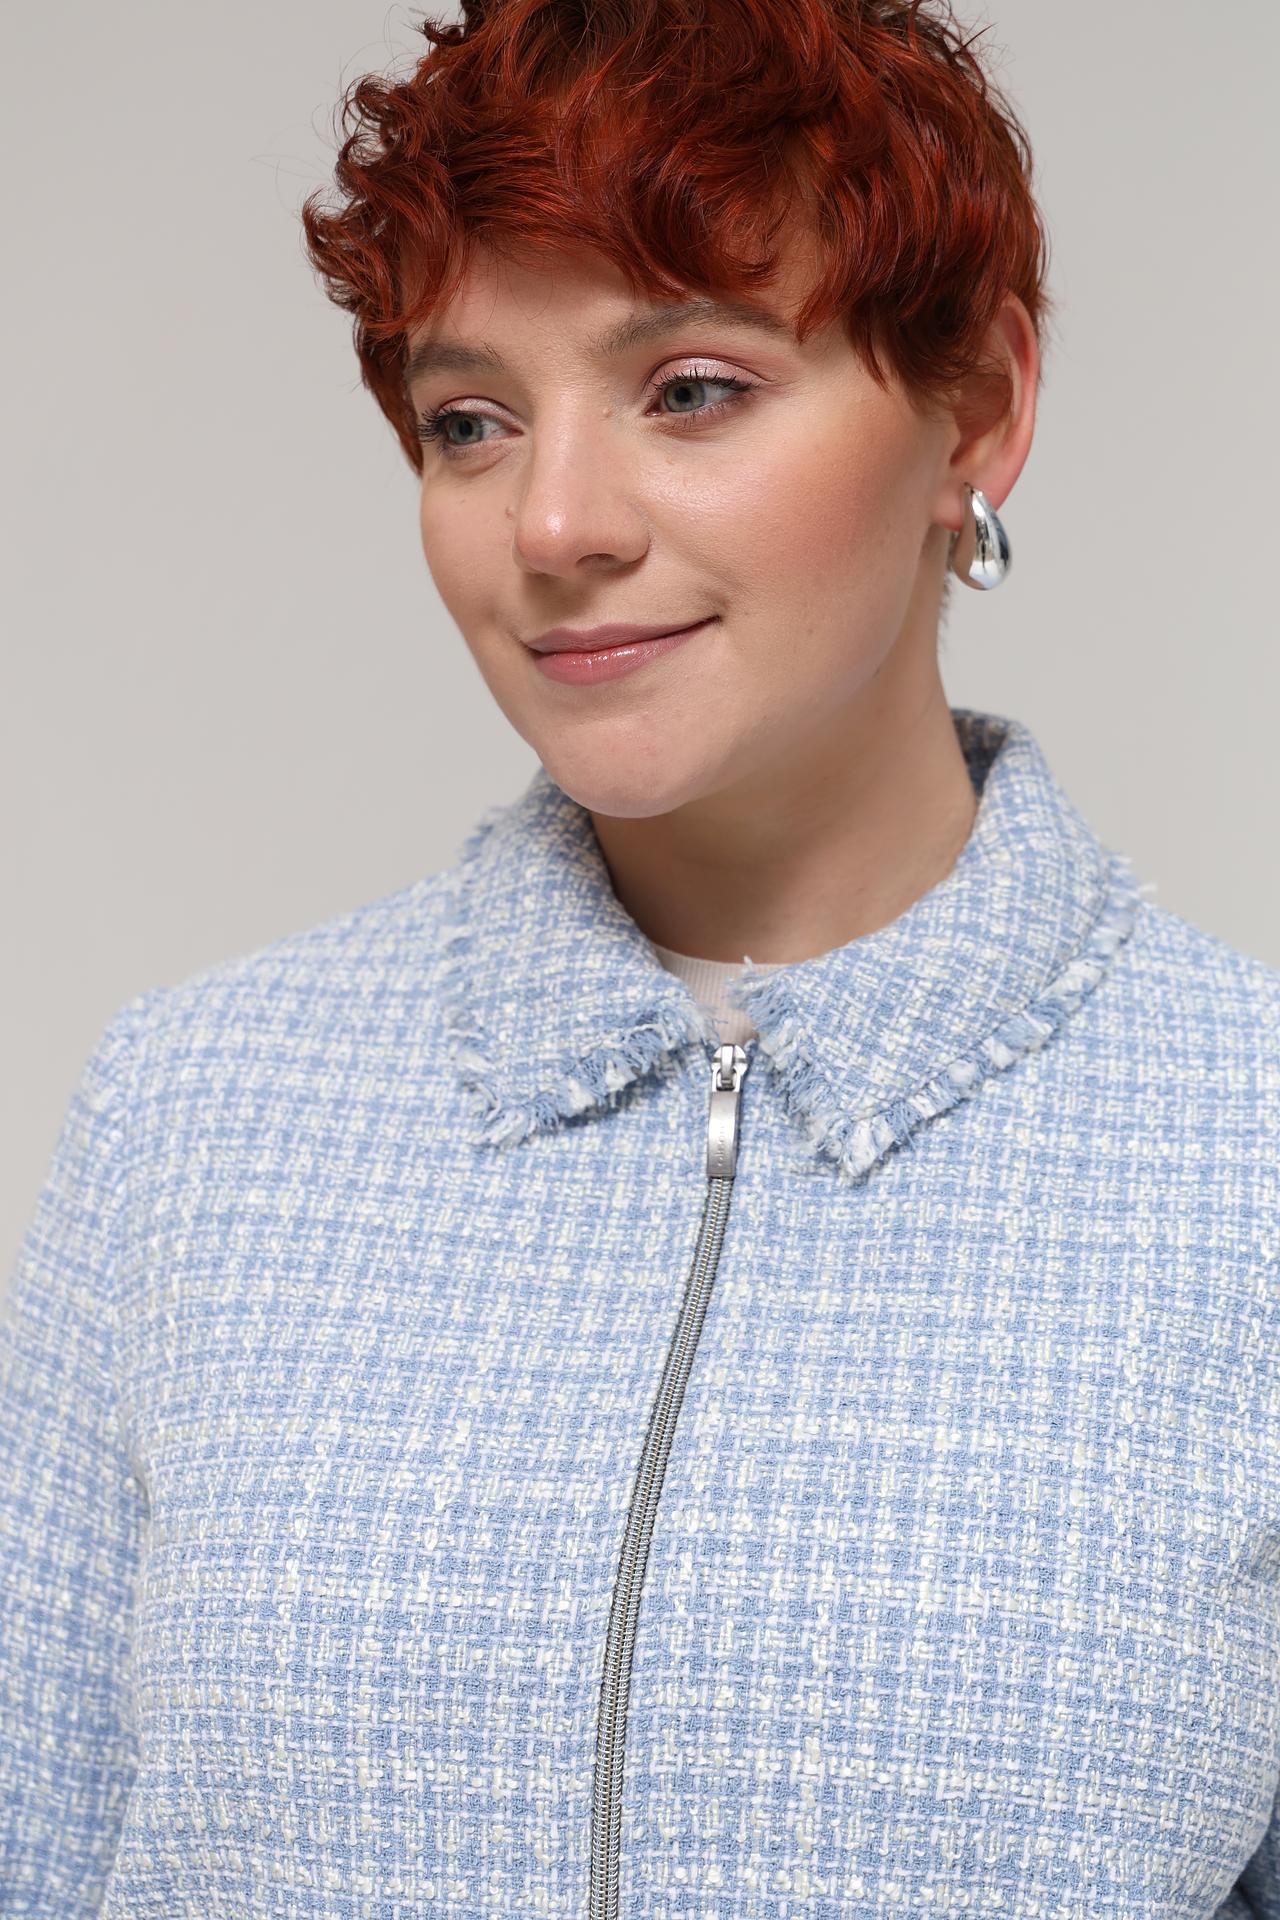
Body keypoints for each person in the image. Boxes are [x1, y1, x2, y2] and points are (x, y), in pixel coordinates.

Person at [2, 1, 1278, 1914]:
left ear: (976, 412)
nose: (555, 524)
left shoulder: (1249, 1157)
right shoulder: (194, 1121)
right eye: (470, 422)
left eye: (691, 387)